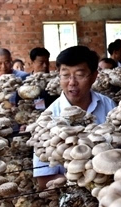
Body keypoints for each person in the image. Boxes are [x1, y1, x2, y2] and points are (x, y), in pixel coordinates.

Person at [33, 45, 116, 189]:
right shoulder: (48, 118)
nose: (72, 82)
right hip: (71, 196)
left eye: (79, 74)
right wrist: (89, 182)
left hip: (113, 191)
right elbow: (43, 179)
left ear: (94, 77)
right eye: (65, 75)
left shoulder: (108, 105)